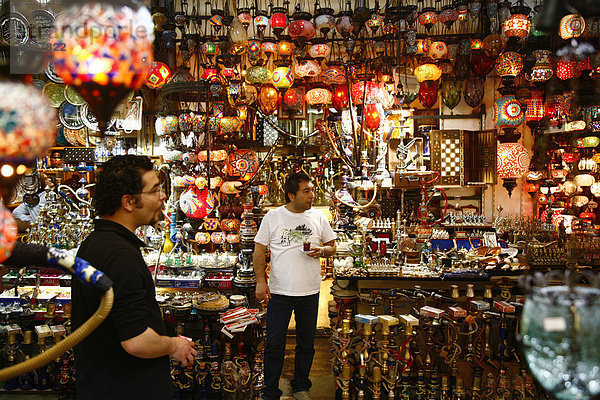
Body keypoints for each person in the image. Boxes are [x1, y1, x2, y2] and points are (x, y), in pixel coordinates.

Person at [71, 155, 196, 400]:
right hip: (126, 388)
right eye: (155, 190)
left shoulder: (95, 243)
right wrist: (173, 345)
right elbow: (136, 341)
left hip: (102, 384)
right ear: (129, 201)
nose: (162, 197)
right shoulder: (120, 256)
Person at [253, 171, 337, 400]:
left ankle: (301, 385)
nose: (312, 195)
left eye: (312, 190)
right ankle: (270, 390)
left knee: (306, 344)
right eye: (306, 191)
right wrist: (261, 281)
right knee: (274, 344)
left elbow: (332, 247)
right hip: (280, 291)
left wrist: (322, 251)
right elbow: (259, 250)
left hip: (309, 291)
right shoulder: (273, 217)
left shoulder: (318, 217)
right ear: (291, 195)